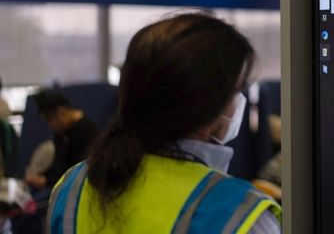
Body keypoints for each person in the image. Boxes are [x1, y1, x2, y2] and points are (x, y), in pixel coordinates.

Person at [47, 12, 281, 233]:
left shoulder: (71, 190)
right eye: (236, 91)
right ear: (206, 107)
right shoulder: (241, 217)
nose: (238, 102)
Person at [27, 91, 99, 189]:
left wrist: (46, 181)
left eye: (49, 120)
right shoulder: (62, 133)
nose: (50, 126)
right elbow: (59, 165)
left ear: (61, 113)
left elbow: (77, 171)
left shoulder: (86, 132)